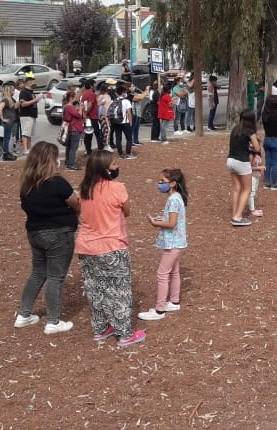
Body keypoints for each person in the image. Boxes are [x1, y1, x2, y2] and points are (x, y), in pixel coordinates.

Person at [76, 151, 145, 347]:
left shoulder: (84, 189)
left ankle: (101, 329)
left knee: (95, 289)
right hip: (112, 245)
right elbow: (127, 211)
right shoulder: (117, 188)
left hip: (86, 246)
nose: (117, 167)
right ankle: (124, 334)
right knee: (119, 290)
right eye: (114, 164)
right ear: (105, 168)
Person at [15, 142, 79, 334]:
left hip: (35, 233)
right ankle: (53, 321)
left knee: (37, 273)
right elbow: (75, 203)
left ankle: (24, 314)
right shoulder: (57, 182)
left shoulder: (26, 184)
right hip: (58, 234)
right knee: (55, 277)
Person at [138, 168, 189, 321]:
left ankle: (159, 310)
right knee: (174, 272)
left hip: (172, 243)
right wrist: (161, 219)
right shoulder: (177, 197)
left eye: (162, 181)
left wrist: (156, 223)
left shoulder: (173, 200)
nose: (159, 184)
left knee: (162, 274)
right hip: (177, 241)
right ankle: (174, 301)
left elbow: (172, 223)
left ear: (173, 183)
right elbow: (174, 220)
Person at [227, 109, 261, 225]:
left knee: (237, 188)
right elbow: (257, 148)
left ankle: (234, 214)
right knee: (247, 189)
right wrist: (250, 148)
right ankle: (237, 217)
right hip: (241, 161)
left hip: (230, 160)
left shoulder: (235, 130)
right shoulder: (250, 131)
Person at [261, 98, 277, 190]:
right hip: (276, 139)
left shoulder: (264, 115)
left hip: (267, 139)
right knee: (275, 163)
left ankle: (267, 182)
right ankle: (274, 183)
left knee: (268, 162)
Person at [110, 85, 136, 159]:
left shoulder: (114, 101)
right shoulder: (126, 101)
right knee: (129, 138)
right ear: (124, 92)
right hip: (125, 122)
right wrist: (130, 122)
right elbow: (129, 113)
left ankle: (120, 153)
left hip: (116, 122)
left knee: (118, 138)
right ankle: (128, 154)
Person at [80, 79, 105, 155]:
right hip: (93, 118)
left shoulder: (84, 94)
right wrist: (86, 113)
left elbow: (82, 105)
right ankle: (100, 150)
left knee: (88, 135)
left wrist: (84, 114)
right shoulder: (92, 94)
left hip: (87, 118)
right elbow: (90, 105)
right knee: (98, 134)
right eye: (94, 84)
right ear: (91, 86)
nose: (95, 86)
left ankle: (88, 151)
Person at [17, 74, 40, 156]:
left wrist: (37, 100)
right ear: (29, 83)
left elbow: (32, 101)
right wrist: (35, 100)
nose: (35, 84)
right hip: (26, 115)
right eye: (33, 82)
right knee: (25, 133)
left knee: (29, 133)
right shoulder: (23, 92)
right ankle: (25, 149)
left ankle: (29, 149)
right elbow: (23, 104)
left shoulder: (31, 92)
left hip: (32, 115)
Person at [62, 90, 84, 171]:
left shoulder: (66, 106)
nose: (76, 99)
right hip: (75, 129)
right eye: (74, 98)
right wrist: (81, 108)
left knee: (69, 147)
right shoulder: (69, 107)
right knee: (73, 148)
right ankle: (71, 164)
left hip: (70, 129)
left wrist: (78, 108)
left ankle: (68, 161)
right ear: (71, 98)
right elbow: (79, 115)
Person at [0, 83, 19, 161]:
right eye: (12, 90)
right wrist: (3, 119)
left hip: (11, 121)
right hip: (7, 122)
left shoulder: (10, 99)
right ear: (9, 91)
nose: (14, 91)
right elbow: (0, 109)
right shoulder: (5, 99)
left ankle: (7, 153)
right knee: (6, 138)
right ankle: (5, 154)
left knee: (8, 137)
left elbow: (14, 107)